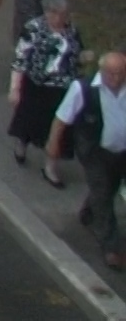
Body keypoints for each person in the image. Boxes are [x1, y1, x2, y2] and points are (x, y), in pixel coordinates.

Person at [48, 50, 126, 270]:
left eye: (121, 73)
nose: (116, 79)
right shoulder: (83, 88)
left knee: (110, 186)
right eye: (112, 73)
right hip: (94, 150)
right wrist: (53, 145)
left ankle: (88, 211)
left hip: (122, 151)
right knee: (103, 191)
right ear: (102, 70)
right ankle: (111, 246)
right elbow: (61, 119)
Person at [10, 0, 81, 184]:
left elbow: (76, 55)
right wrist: (15, 88)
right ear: (48, 12)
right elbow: (20, 59)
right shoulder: (33, 28)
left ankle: (50, 167)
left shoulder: (72, 30)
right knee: (29, 120)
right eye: (57, 14)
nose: (61, 18)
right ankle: (22, 143)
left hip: (62, 87)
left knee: (59, 130)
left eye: (64, 14)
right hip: (37, 85)